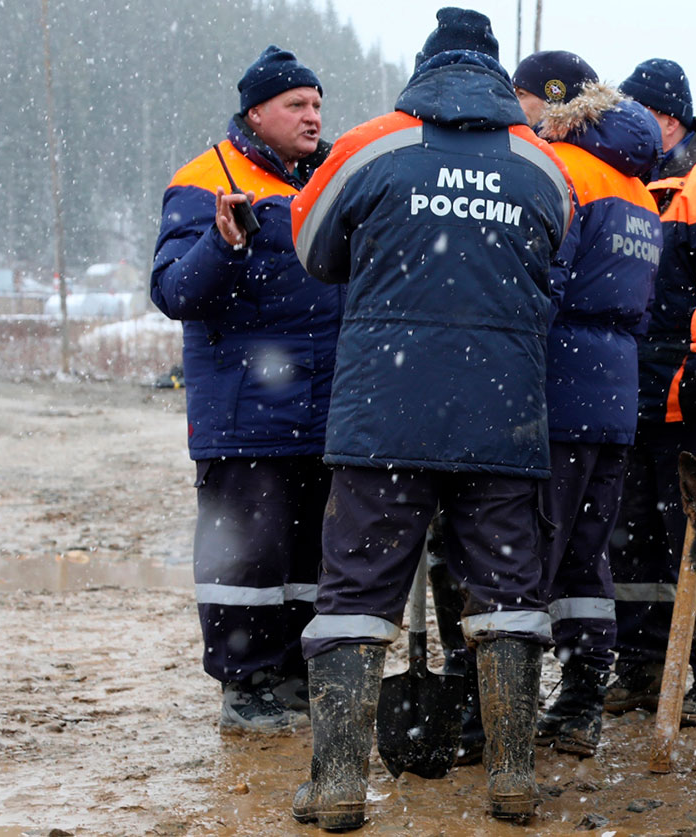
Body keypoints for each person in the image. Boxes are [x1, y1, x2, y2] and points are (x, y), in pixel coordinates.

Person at [285, 8, 574, 830]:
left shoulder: (370, 145)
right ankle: (513, 774)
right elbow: (558, 254)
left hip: (387, 410)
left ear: (425, 65)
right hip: (504, 412)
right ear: (495, 71)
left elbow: (311, 245)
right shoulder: (542, 165)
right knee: (509, 589)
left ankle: (339, 783)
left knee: (354, 590)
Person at [150, 45, 341, 737]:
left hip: (322, 416)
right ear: (256, 112)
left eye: (317, 104)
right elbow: (174, 292)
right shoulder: (206, 180)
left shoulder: (328, 181)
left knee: (306, 559)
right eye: (296, 104)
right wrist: (222, 245)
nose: (312, 116)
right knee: (246, 557)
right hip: (243, 414)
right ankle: (245, 681)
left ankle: (290, 671)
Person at [507, 50, 662, 757]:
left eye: (521, 98)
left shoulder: (563, 170)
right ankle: (581, 700)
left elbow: (546, 282)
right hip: (613, 391)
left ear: (551, 102)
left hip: (558, 387)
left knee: (531, 550)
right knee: (586, 555)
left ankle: (502, 710)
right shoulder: (639, 189)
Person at [605, 58, 696, 725]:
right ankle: (638, 660)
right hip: (629, 396)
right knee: (630, 537)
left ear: (665, 116)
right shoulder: (635, 183)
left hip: (683, 400)